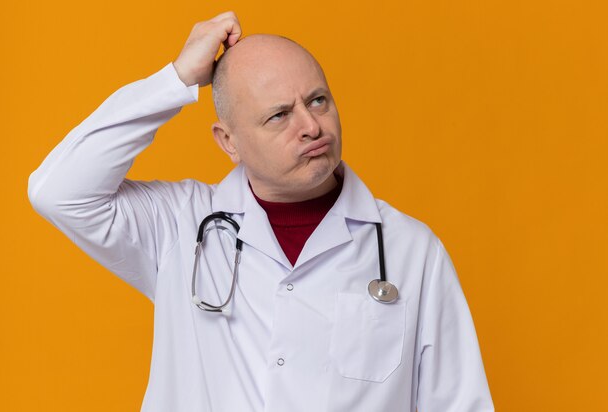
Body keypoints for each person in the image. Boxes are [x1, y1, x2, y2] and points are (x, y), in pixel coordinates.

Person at [27, 10, 494, 412]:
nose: (312, 126)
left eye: (318, 100)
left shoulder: (411, 250)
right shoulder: (179, 227)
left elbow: (458, 402)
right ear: (228, 141)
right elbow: (58, 190)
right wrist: (177, 79)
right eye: (279, 115)